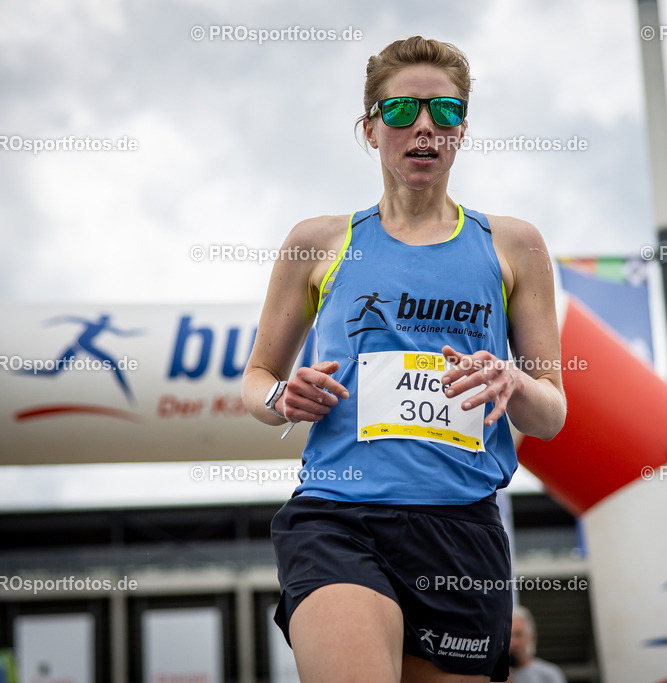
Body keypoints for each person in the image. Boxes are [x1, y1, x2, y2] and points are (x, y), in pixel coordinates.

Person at [243, 36, 566, 683]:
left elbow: (553, 411)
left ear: (463, 130)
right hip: (339, 516)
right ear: (369, 128)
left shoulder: (514, 245)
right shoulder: (318, 242)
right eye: (402, 112)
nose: (424, 127)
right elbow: (256, 379)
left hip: (460, 530)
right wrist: (282, 398)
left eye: (444, 113)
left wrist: (513, 379)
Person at [509, 606, 567, 683]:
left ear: (531, 636)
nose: (513, 642)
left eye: (518, 635)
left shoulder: (549, 674)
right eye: (509, 636)